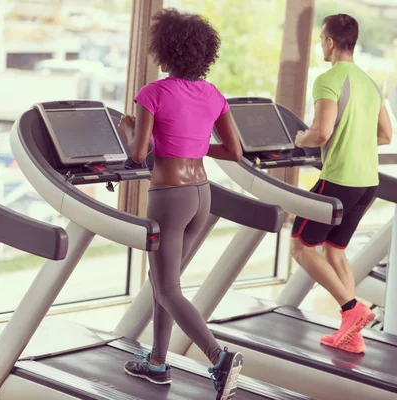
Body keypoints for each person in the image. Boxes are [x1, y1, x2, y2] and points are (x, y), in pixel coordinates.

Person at [118, 8, 243, 399]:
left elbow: (140, 153)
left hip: (169, 197)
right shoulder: (214, 95)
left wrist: (130, 128)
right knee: (163, 284)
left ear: (164, 49)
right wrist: (191, 143)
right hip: (202, 194)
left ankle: (219, 358)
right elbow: (235, 152)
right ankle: (156, 363)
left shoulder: (152, 93)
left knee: (167, 287)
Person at [291, 13, 393, 354]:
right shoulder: (369, 82)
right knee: (335, 252)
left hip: (339, 178)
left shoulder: (328, 79)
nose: (321, 45)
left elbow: (321, 131)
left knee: (301, 247)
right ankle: (353, 336)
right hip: (368, 182)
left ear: (331, 42)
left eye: (322, 39)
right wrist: (357, 140)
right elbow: (386, 134)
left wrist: (300, 138)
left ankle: (353, 309)